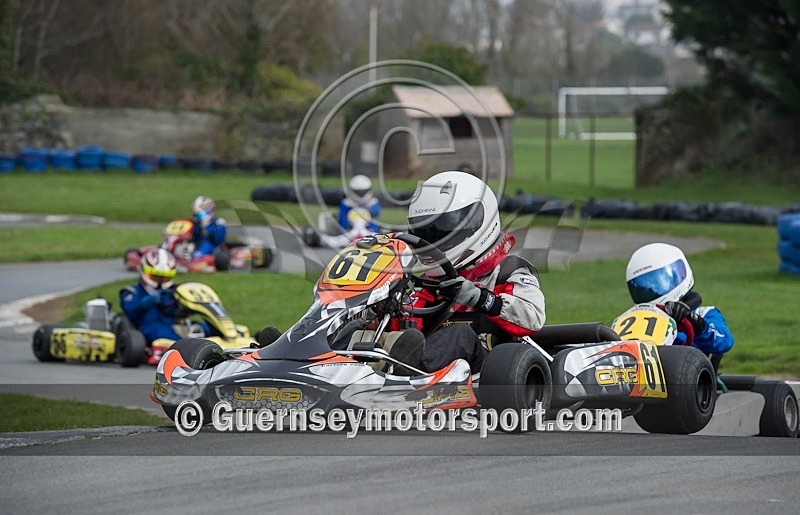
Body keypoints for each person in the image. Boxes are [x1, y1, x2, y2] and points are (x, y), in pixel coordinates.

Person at [390, 170, 546, 374]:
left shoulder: (509, 270)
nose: (435, 240)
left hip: (495, 367)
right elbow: (409, 323)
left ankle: (404, 376)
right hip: (445, 367)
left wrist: (480, 299)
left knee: (460, 334)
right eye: (426, 232)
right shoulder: (432, 282)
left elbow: (532, 318)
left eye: (442, 231)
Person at [625, 243, 734, 355]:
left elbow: (725, 341)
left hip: (688, 369)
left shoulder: (705, 313)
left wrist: (696, 323)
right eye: (643, 287)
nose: (651, 290)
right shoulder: (636, 321)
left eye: (658, 282)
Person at [120, 248, 181, 365]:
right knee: (161, 331)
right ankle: (183, 348)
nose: (160, 282)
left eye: (165, 277)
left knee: (203, 328)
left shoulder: (173, 293)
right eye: (156, 277)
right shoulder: (131, 292)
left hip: (172, 326)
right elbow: (131, 312)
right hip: (147, 329)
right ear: (143, 271)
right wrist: (148, 301)